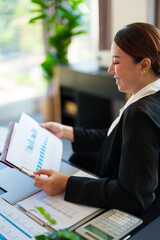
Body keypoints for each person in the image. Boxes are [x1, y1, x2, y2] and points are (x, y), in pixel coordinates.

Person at [34, 22, 160, 221]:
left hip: (139, 212)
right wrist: (65, 131)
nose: (110, 70)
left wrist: (67, 184)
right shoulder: (150, 95)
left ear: (144, 65)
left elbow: (135, 197)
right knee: (77, 158)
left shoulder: (140, 114)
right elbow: (117, 137)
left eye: (116, 62)